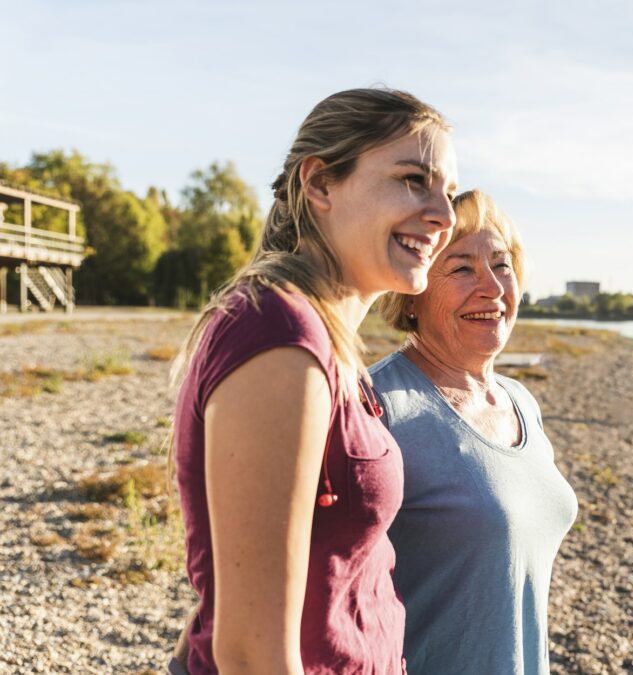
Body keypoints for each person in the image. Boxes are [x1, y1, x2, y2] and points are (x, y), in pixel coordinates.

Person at [169, 88, 458, 674]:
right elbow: (251, 655)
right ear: (320, 184)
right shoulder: (279, 334)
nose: (444, 217)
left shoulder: (324, 338)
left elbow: (236, 588)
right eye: (412, 179)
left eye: (448, 193)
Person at [371, 190, 578, 675]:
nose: (491, 286)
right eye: (462, 268)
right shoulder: (377, 406)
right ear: (412, 293)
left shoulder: (520, 401)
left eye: (502, 265)